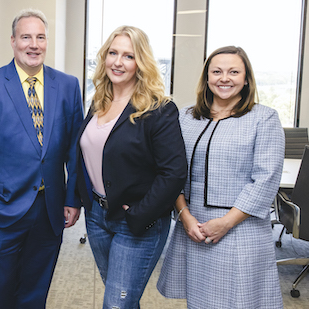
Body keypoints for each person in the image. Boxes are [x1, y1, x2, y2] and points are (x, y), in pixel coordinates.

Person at [0, 8, 84, 309]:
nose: (33, 44)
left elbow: (73, 150)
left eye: (40, 37)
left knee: (34, 295)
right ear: (13, 41)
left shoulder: (66, 86)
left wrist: (71, 198)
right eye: (26, 37)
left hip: (49, 212)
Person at [157, 46, 284, 308]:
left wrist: (226, 223)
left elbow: (266, 179)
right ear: (206, 78)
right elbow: (172, 172)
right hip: (192, 226)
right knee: (200, 301)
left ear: (246, 78)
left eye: (233, 72)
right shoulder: (185, 117)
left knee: (240, 301)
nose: (224, 78)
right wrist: (185, 217)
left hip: (239, 228)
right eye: (216, 71)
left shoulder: (264, 119)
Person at [76, 25, 187, 309]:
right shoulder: (99, 103)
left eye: (128, 55)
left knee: (116, 303)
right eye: (112, 53)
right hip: (98, 217)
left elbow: (174, 172)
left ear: (141, 63)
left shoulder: (158, 109)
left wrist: (138, 215)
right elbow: (87, 156)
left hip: (137, 222)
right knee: (123, 300)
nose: (117, 62)